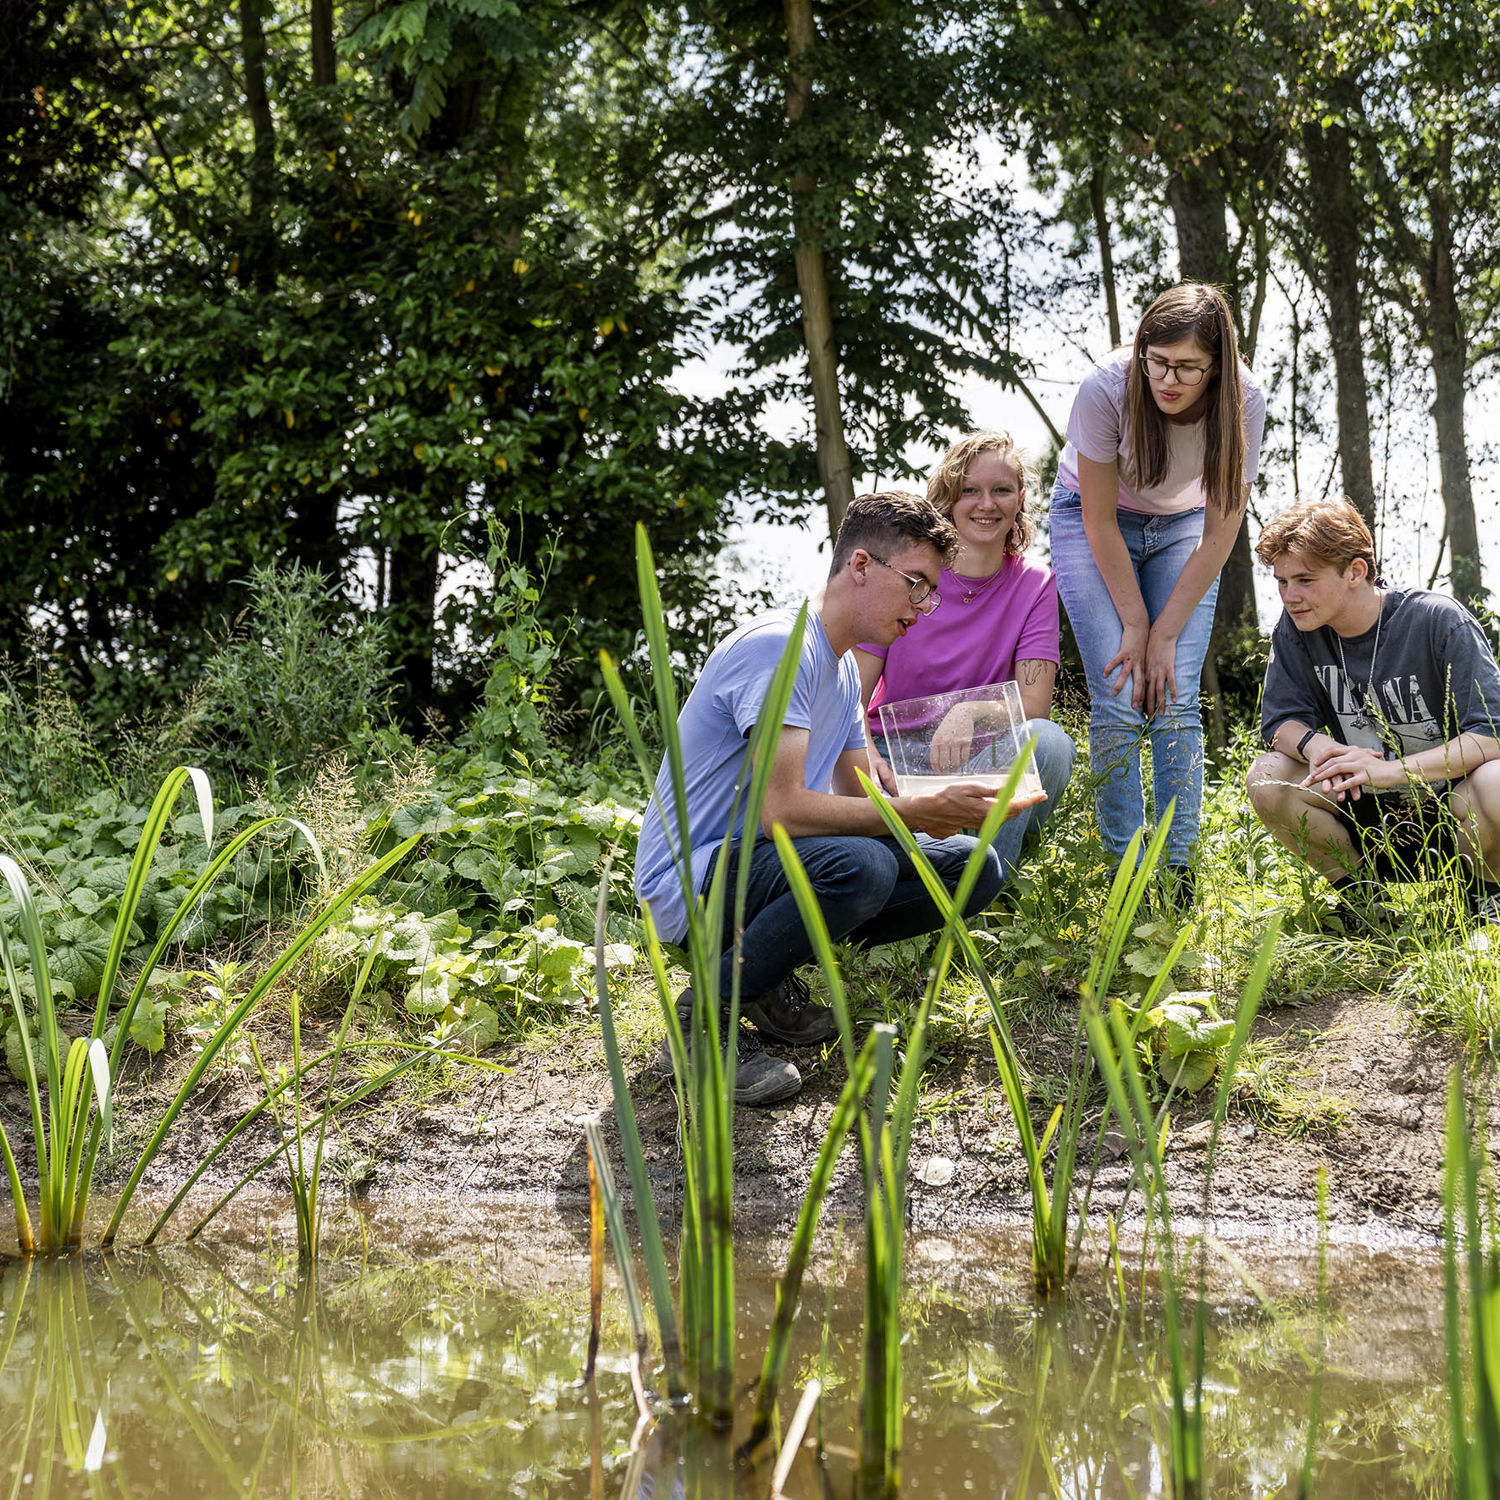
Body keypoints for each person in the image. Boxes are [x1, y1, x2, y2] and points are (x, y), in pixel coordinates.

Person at [633, 491, 1046, 1107]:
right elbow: (784, 810)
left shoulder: (844, 669)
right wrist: (916, 814)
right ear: (859, 566)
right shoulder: (781, 648)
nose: (923, 608)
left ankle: (761, 977)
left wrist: (953, 803)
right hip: (690, 878)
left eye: (929, 591)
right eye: (915, 585)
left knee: (973, 866)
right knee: (862, 867)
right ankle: (700, 1020)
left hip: (757, 867)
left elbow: (861, 794)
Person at [1050, 282, 1265, 907]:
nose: (1168, 379)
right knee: (1118, 691)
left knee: (1172, 695)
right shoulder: (1106, 386)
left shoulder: (1245, 401)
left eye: (1188, 368)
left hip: (1186, 528)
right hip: (1093, 520)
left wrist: (1165, 634)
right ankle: (1126, 878)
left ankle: (1176, 874)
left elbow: (1222, 531)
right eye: (1157, 361)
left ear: (1216, 367)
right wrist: (1137, 627)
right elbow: (1095, 520)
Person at [1246, 496, 1500, 929]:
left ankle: (1481, 895)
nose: (1290, 597)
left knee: (1496, 779)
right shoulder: (1297, 629)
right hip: (1364, 812)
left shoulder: (1437, 620)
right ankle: (1364, 900)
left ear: (1355, 571)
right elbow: (1280, 722)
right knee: (1267, 776)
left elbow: (1490, 735)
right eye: (1282, 582)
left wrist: (1390, 770)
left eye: (1305, 580)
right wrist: (1322, 748)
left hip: (1450, 811)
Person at [856, 432, 1076, 883]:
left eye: (1001, 490)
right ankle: (925, 885)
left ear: (1019, 500)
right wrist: (867, 758)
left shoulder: (1035, 584)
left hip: (983, 760)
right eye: (970, 490)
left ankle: (982, 897)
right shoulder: (908, 574)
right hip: (894, 758)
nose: (986, 504)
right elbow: (849, 695)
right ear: (949, 499)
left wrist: (970, 713)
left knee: (1047, 741)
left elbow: (1034, 709)